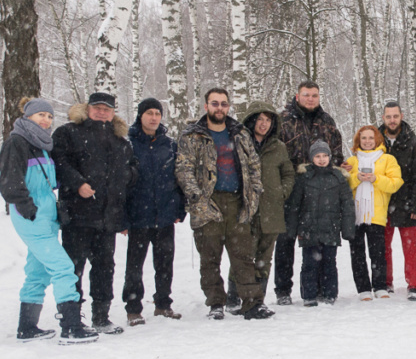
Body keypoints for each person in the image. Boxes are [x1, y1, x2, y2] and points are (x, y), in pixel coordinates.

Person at [0, 97, 98, 344]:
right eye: (41, 115)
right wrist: (27, 209)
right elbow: (10, 182)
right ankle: (71, 326)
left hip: (46, 216)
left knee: (39, 271)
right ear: (28, 117)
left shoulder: (41, 145)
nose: (46, 120)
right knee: (63, 268)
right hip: (32, 216)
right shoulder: (17, 143)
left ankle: (27, 327)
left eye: (50, 116)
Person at [176, 88, 272, 320]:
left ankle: (251, 303)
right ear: (206, 106)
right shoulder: (192, 136)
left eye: (223, 104)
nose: (219, 108)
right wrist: (197, 198)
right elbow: (184, 168)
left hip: (237, 201)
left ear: (229, 107)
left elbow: (253, 165)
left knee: (243, 257)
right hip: (208, 202)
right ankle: (216, 303)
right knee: (210, 257)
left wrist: (254, 194)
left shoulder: (239, 133)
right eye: (215, 103)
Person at [52, 91, 137, 335]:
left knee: (104, 267)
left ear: (113, 113)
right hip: (78, 215)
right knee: (73, 268)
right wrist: (77, 183)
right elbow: (59, 161)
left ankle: (101, 316)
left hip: (107, 217)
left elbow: (133, 171)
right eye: (97, 107)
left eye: (107, 109)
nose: (102, 112)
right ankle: (71, 317)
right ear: (88, 109)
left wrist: (127, 177)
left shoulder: (121, 141)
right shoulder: (68, 133)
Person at [274, 81, 345, 305]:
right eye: (306, 95)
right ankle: (283, 289)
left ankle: (322, 288)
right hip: (291, 187)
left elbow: (336, 153)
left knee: (318, 242)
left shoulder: (327, 121)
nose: (311, 99)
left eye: (314, 95)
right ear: (297, 96)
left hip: (321, 192)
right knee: (286, 239)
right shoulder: (282, 120)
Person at [226, 101, 296, 311]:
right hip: (245, 210)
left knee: (264, 257)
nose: (264, 124)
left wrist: (281, 192)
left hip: (271, 210)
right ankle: (233, 298)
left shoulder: (278, 147)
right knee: (242, 256)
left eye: (268, 120)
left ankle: (258, 299)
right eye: (260, 119)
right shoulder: (238, 143)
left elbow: (288, 173)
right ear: (251, 120)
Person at [122, 98, 185, 325]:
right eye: (149, 113)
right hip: (138, 216)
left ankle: (163, 304)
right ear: (141, 116)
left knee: (165, 263)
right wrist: (122, 217)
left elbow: (178, 179)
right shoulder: (128, 144)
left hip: (165, 215)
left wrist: (180, 207)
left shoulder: (169, 145)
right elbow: (121, 184)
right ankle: (133, 309)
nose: (154, 117)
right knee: (134, 266)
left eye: (157, 113)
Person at [285, 141, 356, 306]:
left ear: (330, 157)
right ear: (312, 158)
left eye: (325, 156)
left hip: (331, 228)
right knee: (309, 263)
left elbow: (347, 205)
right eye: (318, 156)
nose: (322, 159)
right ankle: (309, 295)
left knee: (329, 263)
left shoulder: (338, 177)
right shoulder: (304, 177)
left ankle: (329, 293)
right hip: (308, 228)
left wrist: (348, 229)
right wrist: (292, 228)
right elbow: (295, 205)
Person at [377, 101, 416, 301]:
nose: (392, 120)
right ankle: (385, 282)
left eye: (395, 116)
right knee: (382, 246)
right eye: (388, 116)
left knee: (412, 247)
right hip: (381, 203)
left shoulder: (414, 143)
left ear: (402, 116)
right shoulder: (375, 141)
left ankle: (414, 285)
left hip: (407, 203)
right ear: (383, 118)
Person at [347, 125, 403, 300]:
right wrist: (355, 178)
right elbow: (342, 185)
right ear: (358, 140)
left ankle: (380, 286)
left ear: (377, 139)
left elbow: (396, 183)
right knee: (357, 253)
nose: (367, 141)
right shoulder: (351, 161)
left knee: (378, 252)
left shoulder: (387, 159)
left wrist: (376, 179)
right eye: (363, 138)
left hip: (376, 215)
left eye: (371, 138)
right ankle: (363, 288)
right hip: (355, 215)